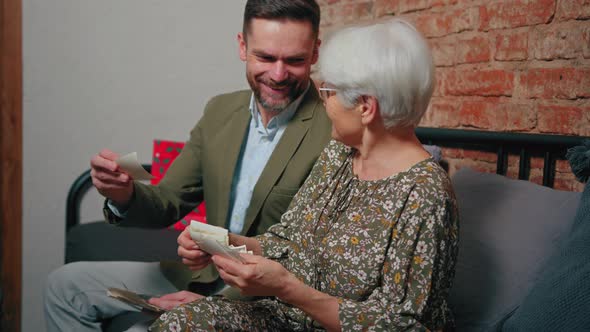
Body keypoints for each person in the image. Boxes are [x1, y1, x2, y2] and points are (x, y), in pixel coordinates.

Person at [151, 18, 460, 331]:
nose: (323, 103)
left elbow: (403, 325)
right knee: (179, 324)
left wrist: (287, 288)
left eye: (328, 92)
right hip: (284, 317)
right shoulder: (340, 154)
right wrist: (223, 242)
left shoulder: (425, 194)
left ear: (365, 107)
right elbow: (287, 240)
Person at [44, 1, 332, 331]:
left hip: (262, 298)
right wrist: (124, 194)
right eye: (265, 57)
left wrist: (217, 306)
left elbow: (313, 257)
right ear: (242, 46)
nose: (278, 75)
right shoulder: (220, 111)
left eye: (294, 60)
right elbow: (168, 200)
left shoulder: (334, 130)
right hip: (195, 274)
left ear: (314, 53)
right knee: (63, 286)